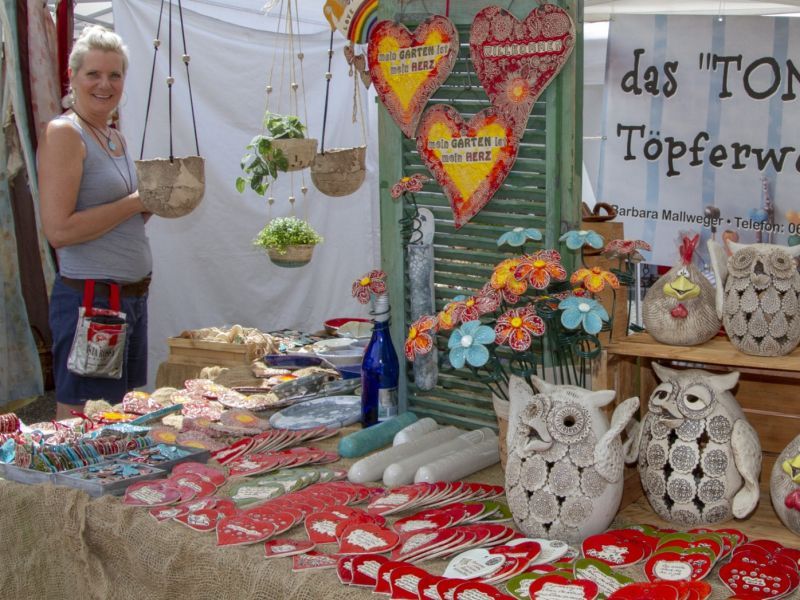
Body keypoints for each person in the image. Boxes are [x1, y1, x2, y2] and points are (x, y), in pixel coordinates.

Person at [38, 25, 152, 420]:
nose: (105, 84)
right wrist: (136, 201)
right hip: (93, 303)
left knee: (119, 417)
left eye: (114, 75)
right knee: (85, 420)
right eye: (94, 74)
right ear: (73, 76)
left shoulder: (114, 137)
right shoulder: (65, 133)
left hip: (130, 297)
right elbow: (59, 231)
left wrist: (155, 203)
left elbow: (122, 217)